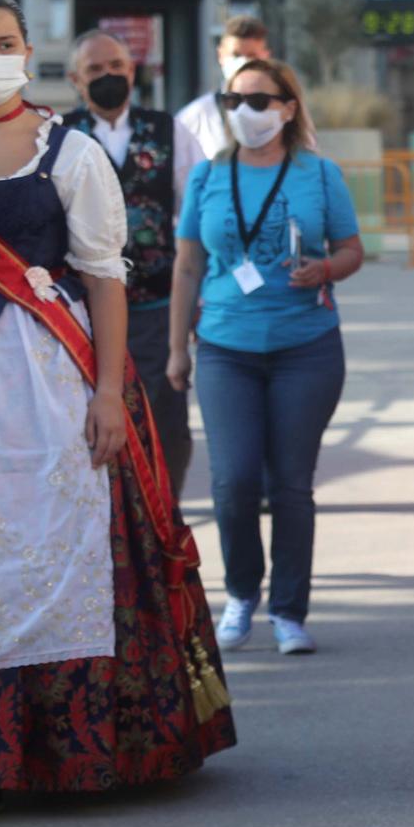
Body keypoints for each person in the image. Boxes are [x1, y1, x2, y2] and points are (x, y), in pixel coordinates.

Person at [0, 0, 234, 815]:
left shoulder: (68, 152)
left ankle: (60, 748)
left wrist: (108, 390)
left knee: (43, 538)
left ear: (28, 53)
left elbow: (106, 276)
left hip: (44, 371)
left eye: (3, 40)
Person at [169, 58, 363, 656]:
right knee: (231, 481)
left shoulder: (319, 174)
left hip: (305, 348)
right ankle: (241, 596)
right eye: (234, 101)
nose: (246, 112)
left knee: (290, 485)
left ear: (287, 106)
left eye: (259, 100)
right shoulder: (207, 177)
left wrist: (326, 269)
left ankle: (288, 611)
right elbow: (188, 264)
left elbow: (352, 249)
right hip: (226, 347)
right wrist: (178, 348)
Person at [61, 29, 205, 497]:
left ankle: (166, 520)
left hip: (157, 308)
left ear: (132, 71)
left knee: (167, 423)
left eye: (117, 67)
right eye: (95, 70)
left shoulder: (168, 130)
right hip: (82, 313)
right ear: (75, 80)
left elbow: (197, 209)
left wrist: (200, 290)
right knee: (92, 422)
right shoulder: (58, 138)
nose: (109, 77)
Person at [177, 15, 272, 160]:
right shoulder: (194, 117)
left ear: (265, 57)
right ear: (221, 55)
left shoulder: (280, 112)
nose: (243, 63)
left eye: (251, 56)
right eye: (236, 55)